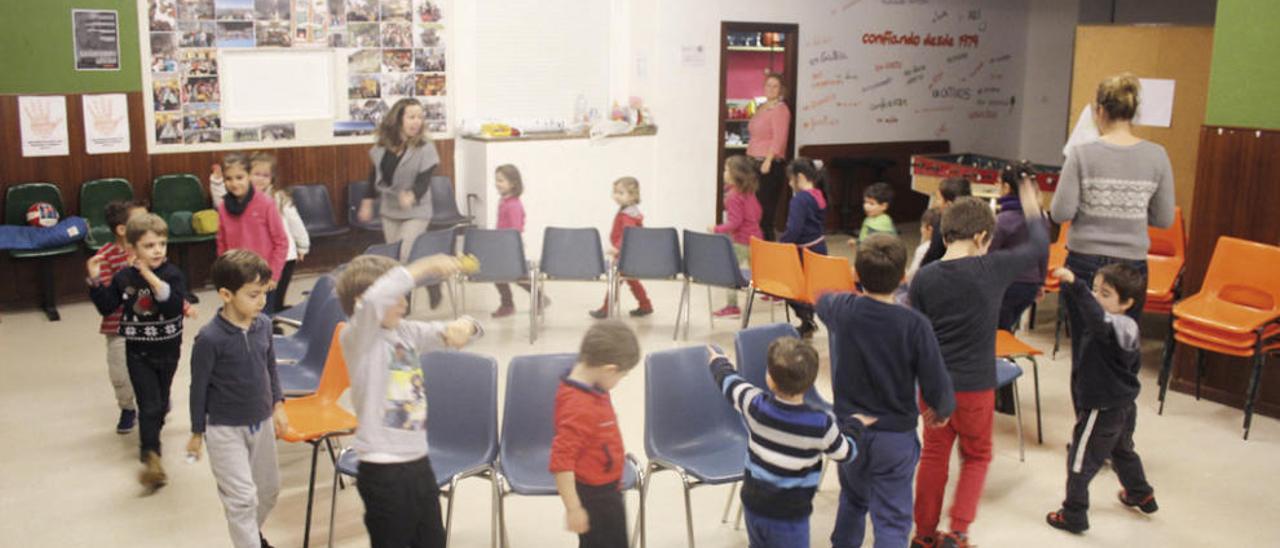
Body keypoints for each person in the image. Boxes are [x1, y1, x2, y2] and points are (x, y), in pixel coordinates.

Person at [907, 178, 1048, 548]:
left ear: (946, 232)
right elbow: (1037, 244)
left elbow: (916, 335)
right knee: (977, 455)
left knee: (934, 456)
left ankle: (923, 535)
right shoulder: (993, 269)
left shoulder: (924, 277)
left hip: (935, 387)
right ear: (984, 236)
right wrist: (1030, 202)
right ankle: (958, 531)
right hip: (975, 386)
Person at [818, 234, 956, 548]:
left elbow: (821, 299)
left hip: (850, 432)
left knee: (852, 499)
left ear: (856, 276)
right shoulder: (915, 324)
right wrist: (943, 408)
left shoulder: (843, 308)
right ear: (904, 278)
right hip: (895, 437)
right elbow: (936, 379)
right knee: (892, 519)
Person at [337, 253, 481, 547]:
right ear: (361, 303)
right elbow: (379, 297)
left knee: (431, 540)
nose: (404, 303)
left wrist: (465, 325)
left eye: (406, 296)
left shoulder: (407, 332)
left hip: (417, 461)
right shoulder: (358, 338)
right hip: (382, 469)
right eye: (397, 297)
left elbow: (464, 330)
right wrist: (424, 267)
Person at [707, 339, 873, 548]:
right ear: (810, 382)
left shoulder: (754, 404)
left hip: (753, 506)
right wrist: (855, 425)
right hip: (789, 518)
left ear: (769, 379)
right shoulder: (819, 425)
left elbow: (729, 382)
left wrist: (718, 361)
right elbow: (845, 453)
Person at [1051, 72, 1176, 326]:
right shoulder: (1157, 155)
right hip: (1131, 266)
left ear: (1099, 111)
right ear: (1133, 113)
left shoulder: (1081, 154)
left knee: (1085, 345)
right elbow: (1164, 218)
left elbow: (1060, 212)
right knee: (1122, 342)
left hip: (1084, 260)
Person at [1045, 264, 1157, 535]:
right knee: (1121, 451)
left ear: (1127, 303)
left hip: (1102, 409)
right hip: (1123, 405)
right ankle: (1140, 493)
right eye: (1095, 290)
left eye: (1105, 294)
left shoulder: (1112, 326)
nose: (1096, 298)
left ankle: (1073, 514)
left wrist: (1076, 284)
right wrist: (1076, 290)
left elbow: (1094, 318)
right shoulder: (1127, 326)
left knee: (1079, 461)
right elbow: (1091, 313)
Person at [186, 250, 287, 548]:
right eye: (253, 295)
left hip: (262, 422)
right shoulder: (209, 339)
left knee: (268, 491)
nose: (262, 302)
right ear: (226, 295)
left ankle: (249, 536)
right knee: (242, 499)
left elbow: (270, 367)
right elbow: (198, 387)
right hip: (224, 429)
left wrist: (278, 404)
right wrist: (196, 432)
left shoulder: (264, 325)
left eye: (264, 293)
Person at [88, 213, 187, 490]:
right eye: (149, 245)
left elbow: (172, 305)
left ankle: (154, 424)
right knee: (149, 405)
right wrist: (96, 281)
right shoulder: (123, 277)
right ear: (132, 249)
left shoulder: (172, 274)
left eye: (162, 244)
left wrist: (149, 276)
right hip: (137, 352)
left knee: (161, 401)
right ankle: (151, 457)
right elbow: (108, 306)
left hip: (168, 351)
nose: (158, 250)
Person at [551, 320, 641, 548]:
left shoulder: (591, 384)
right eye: (622, 376)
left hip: (608, 486)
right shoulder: (578, 405)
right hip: (596, 495)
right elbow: (562, 462)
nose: (618, 382)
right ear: (609, 369)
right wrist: (573, 508)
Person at [356, 97, 446, 309]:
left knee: (403, 257)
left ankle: (402, 306)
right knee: (394, 261)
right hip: (390, 209)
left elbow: (425, 179)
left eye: (420, 117)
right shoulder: (382, 146)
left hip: (416, 210)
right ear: (398, 119)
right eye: (411, 117)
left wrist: (413, 194)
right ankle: (432, 281)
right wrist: (368, 201)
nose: (417, 122)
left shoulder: (426, 147)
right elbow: (374, 176)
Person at [87, 200, 148, 435]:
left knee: (152, 370)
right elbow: (106, 302)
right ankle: (127, 408)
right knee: (120, 375)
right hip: (119, 327)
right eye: (141, 221)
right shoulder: (106, 256)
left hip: (148, 324)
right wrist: (95, 280)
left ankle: (151, 403)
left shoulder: (150, 248)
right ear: (122, 229)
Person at [216, 152, 289, 310]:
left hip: (261, 278)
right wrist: (223, 272)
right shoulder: (223, 207)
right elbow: (221, 242)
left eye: (239, 177)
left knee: (261, 322)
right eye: (228, 178)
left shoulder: (266, 204)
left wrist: (273, 275)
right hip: (235, 276)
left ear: (249, 176)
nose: (234, 183)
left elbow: (281, 242)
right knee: (237, 320)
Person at [248, 152, 311, 314]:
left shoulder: (280, 198)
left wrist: (302, 246)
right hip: (258, 256)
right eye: (256, 174)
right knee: (262, 291)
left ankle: (275, 314)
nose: (260, 179)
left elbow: (295, 223)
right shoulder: (244, 199)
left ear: (272, 178)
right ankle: (268, 316)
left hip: (284, 256)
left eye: (265, 175)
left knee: (277, 289)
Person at [993, 162, 1049, 332]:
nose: (996, 185)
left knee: (998, 330)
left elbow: (990, 255)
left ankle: (1002, 356)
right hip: (1030, 286)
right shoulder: (1040, 219)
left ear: (1006, 187)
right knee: (1007, 327)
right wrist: (1041, 282)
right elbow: (1043, 252)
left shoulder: (1003, 220)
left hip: (1006, 285)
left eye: (998, 182)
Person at [777, 158, 827, 338]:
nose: (790, 183)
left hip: (804, 252)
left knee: (788, 286)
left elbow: (794, 229)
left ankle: (806, 318)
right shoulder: (818, 194)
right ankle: (808, 322)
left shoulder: (800, 199)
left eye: (791, 179)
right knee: (808, 288)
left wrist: (781, 246)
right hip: (819, 248)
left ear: (800, 177)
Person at [708, 155, 763, 318]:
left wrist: (716, 229)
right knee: (759, 270)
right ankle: (773, 293)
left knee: (731, 272)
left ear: (735, 174)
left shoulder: (733, 196)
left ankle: (732, 306)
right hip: (756, 239)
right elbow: (758, 212)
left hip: (741, 242)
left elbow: (734, 223)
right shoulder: (749, 192)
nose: (723, 172)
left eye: (726, 169)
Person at [590, 177, 652, 319]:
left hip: (625, 254)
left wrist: (618, 249)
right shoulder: (629, 211)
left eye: (620, 193)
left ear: (632, 196)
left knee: (616, 281)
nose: (616, 196)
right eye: (615, 192)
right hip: (628, 253)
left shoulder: (628, 216)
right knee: (632, 280)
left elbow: (628, 234)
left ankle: (606, 308)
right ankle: (645, 305)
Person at [491, 164, 548, 318]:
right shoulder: (503, 201)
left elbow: (516, 228)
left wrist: (510, 245)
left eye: (501, 180)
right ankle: (508, 304)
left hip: (511, 246)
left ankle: (535, 298)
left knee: (517, 277)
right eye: (496, 180)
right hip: (502, 244)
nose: (497, 183)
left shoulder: (514, 205)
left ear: (513, 184)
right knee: (499, 276)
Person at [748, 72, 792, 240]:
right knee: (754, 210)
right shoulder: (763, 107)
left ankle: (767, 248)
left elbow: (779, 138)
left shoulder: (781, 109)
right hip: (754, 161)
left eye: (775, 86)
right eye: (768, 85)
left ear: (781, 90)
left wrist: (768, 160)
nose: (771, 89)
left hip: (769, 165)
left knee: (765, 212)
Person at [918, 177, 972, 268]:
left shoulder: (941, 225)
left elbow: (932, 255)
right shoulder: (976, 222)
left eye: (938, 199)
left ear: (949, 205)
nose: (935, 203)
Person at [906, 208, 941, 282]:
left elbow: (912, 275)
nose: (921, 229)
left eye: (922, 226)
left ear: (929, 229)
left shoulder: (923, 249)